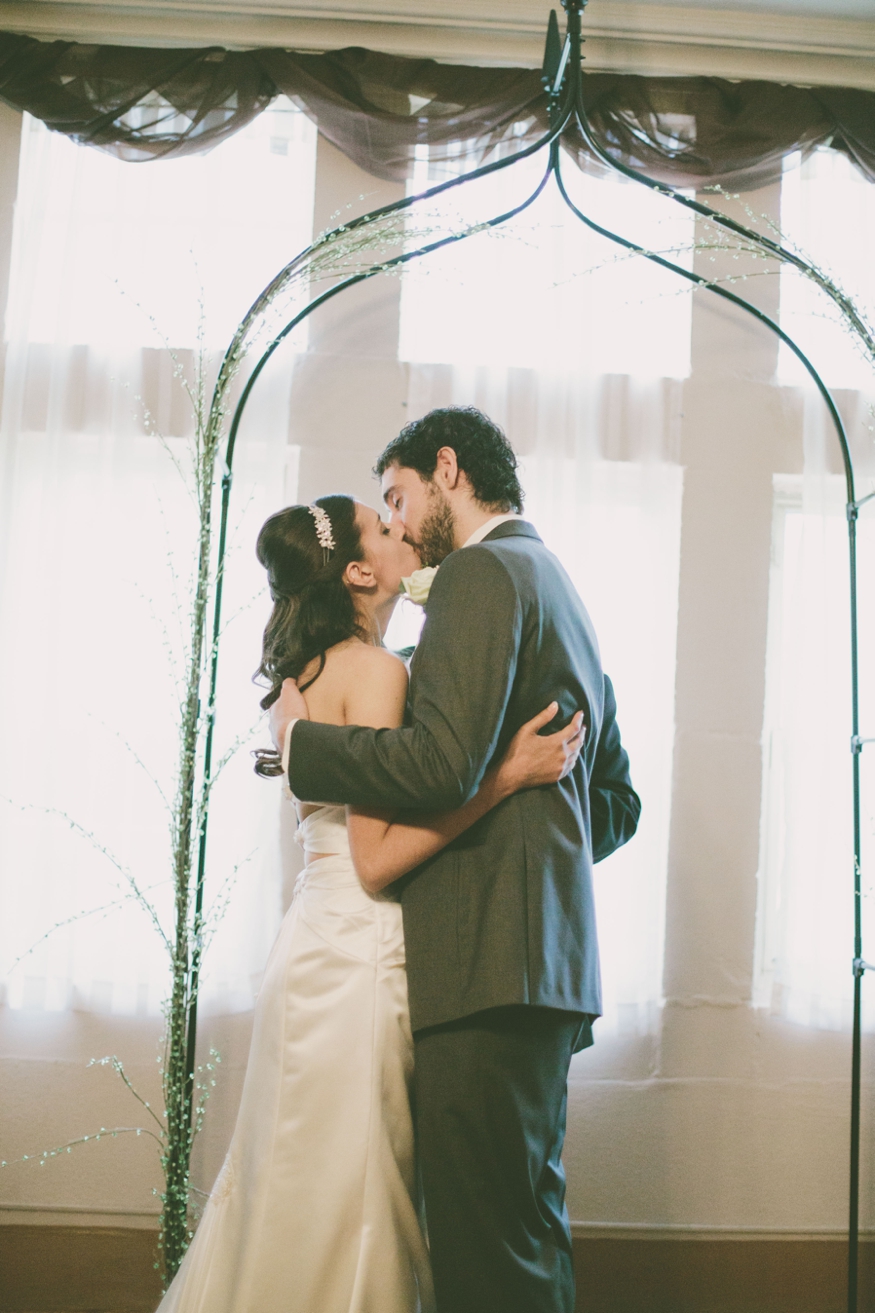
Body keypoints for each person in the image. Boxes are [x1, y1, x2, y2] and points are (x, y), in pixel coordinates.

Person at [154, 492, 586, 1313]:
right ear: (358, 571)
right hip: (360, 960)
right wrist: (508, 777)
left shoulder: (305, 677)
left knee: (289, 1180)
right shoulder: (382, 671)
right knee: (357, 1187)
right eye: (385, 529)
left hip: (308, 948)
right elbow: (379, 859)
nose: (402, 533)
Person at [271, 407, 641, 1313]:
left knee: (486, 1254)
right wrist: (530, 842)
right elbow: (616, 805)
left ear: (448, 469)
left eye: (397, 496)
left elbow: (440, 762)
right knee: (518, 1230)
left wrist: (303, 749)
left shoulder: (481, 571)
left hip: (485, 964)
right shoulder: (557, 583)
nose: (394, 521)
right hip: (538, 966)